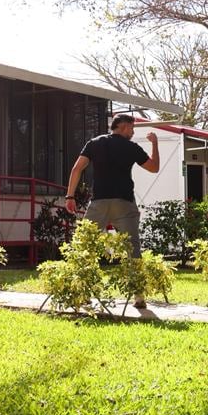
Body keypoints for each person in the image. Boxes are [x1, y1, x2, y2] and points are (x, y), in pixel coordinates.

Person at [66, 114, 160, 308]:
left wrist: (70, 196)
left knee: (86, 246)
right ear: (124, 127)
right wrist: (155, 143)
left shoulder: (94, 143)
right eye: (132, 129)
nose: (133, 133)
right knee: (132, 249)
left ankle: (81, 293)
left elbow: (77, 169)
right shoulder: (131, 147)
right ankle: (139, 297)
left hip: (99, 202)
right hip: (124, 203)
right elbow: (154, 167)